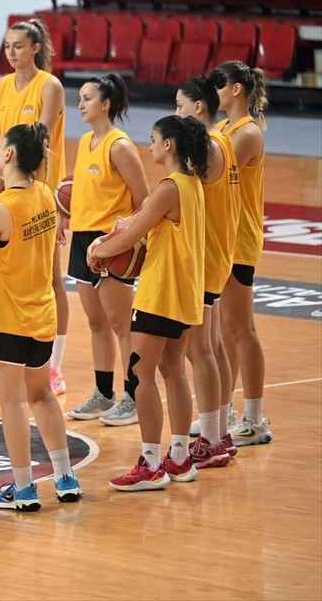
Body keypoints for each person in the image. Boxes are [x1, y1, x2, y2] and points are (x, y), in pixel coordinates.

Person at [0, 123, 82, 512]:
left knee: (12, 405)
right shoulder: (45, 195)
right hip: (41, 317)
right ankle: (64, 477)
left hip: (6, 319)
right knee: (41, 396)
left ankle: (23, 488)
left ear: (8, 156)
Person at [90, 115, 208, 491]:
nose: (151, 145)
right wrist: (109, 241)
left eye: (154, 139)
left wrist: (98, 253)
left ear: (169, 145)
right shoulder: (192, 185)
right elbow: (131, 222)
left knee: (140, 375)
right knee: (174, 371)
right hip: (185, 293)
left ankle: (151, 464)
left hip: (160, 294)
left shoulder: (169, 188)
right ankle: (179, 457)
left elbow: (129, 239)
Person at [0, 20, 69, 396]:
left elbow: (38, 143)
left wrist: (0, 180)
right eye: (7, 46)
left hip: (39, 190)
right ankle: (12, 364)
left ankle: (53, 368)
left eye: (18, 46)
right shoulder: (1, 86)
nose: (11, 52)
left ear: (35, 47)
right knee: (9, 272)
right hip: (8, 189)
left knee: (50, 278)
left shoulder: (51, 86)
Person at [64, 75, 149, 427]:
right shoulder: (85, 141)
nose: (80, 104)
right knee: (96, 322)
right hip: (82, 239)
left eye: (87, 98)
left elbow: (145, 201)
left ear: (106, 104)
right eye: (80, 98)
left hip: (110, 242)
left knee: (120, 323)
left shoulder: (120, 146)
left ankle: (133, 395)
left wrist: (121, 237)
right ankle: (104, 393)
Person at [175, 74, 239, 468]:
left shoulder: (206, 150)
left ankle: (212, 439)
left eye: (180, 106)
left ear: (198, 107)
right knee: (211, 347)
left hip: (204, 257)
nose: (176, 113)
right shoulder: (224, 141)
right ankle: (220, 430)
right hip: (218, 255)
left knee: (200, 351)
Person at [216, 61, 273, 447]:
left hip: (240, 239)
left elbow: (211, 168)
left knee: (241, 330)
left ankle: (255, 419)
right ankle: (227, 413)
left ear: (236, 89)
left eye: (219, 85)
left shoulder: (247, 133)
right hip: (222, 237)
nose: (214, 91)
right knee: (225, 333)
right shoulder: (222, 128)